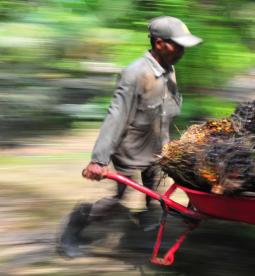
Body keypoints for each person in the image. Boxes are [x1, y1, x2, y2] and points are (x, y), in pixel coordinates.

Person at [59, 16, 202, 257]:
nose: (182, 49)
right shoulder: (135, 73)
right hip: (131, 151)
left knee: (156, 197)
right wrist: (99, 160)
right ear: (159, 44)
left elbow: (166, 109)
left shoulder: (169, 69)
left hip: (158, 148)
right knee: (118, 199)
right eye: (177, 44)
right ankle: (78, 223)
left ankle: (145, 234)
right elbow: (116, 116)